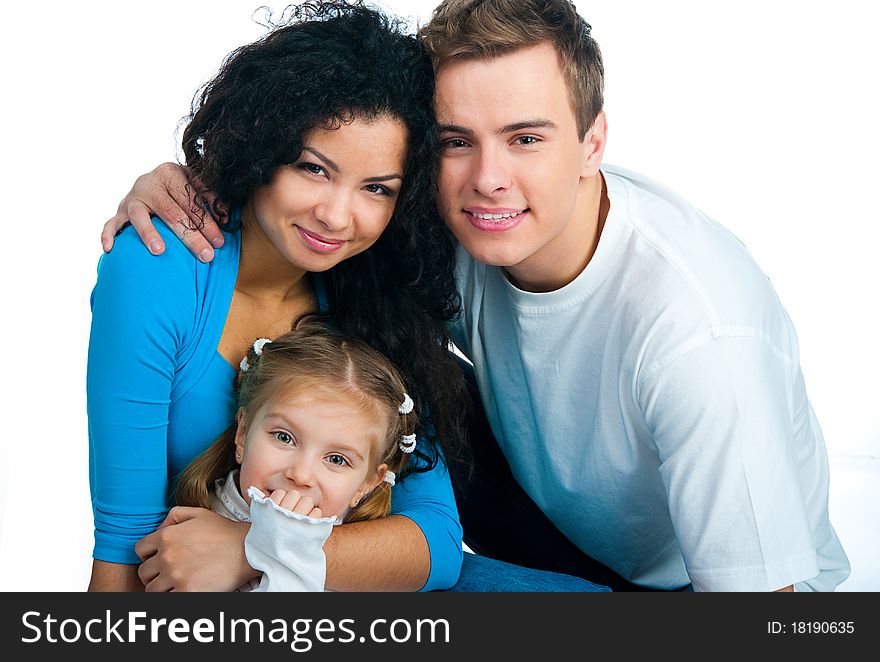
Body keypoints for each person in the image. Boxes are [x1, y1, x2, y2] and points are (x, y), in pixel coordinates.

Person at [103, 0, 849, 592]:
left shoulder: (701, 338)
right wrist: (188, 176)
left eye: (526, 138)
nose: (487, 179)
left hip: (709, 584)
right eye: (458, 140)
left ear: (593, 143)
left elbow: (764, 616)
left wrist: (260, 554)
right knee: (399, 382)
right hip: (542, 526)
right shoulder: (434, 227)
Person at [87, 1, 471, 593]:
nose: (337, 215)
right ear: (262, 147)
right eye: (314, 169)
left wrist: (256, 550)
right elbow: (125, 548)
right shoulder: (159, 266)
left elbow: (439, 542)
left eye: (376, 188)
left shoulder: (381, 299)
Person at [174, 315, 419, 591]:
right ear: (242, 434)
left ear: (366, 484)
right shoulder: (197, 538)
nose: (300, 475)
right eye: (284, 437)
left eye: (337, 459)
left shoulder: (361, 553)